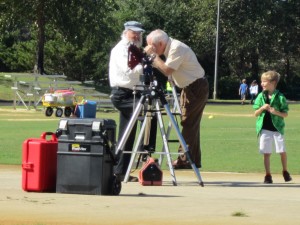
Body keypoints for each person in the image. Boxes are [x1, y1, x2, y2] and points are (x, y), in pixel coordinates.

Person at [144, 29, 209, 169]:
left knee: (188, 123)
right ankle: (193, 160)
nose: (150, 49)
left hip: (196, 87)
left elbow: (167, 69)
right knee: (191, 123)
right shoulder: (170, 47)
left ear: (160, 43)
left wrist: (154, 57)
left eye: (152, 46)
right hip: (190, 87)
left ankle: (184, 159)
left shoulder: (176, 47)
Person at [109, 21, 156, 182]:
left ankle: (120, 171)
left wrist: (146, 57)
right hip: (121, 93)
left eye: (139, 33)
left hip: (133, 92)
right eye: (133, 33)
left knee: (126, 133)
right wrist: (145, 57)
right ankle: (145, 150)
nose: (136, 36)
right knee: (148, 113)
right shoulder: (122, 49)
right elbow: (129, 71)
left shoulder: (132, 49)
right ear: (125, 32)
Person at [253, 70, 292, 184]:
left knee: (282, 150)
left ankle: (285, 171)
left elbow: (285, 114)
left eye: (264, 81)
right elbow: (255, 113)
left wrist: (275, 112)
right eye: (262, 81)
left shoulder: (280, 97)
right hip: (264, 129)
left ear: (273, 82)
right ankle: (268, 175)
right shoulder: (261, 96)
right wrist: (262, 108)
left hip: (277, 129)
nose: (262, 84)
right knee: (266, 152)